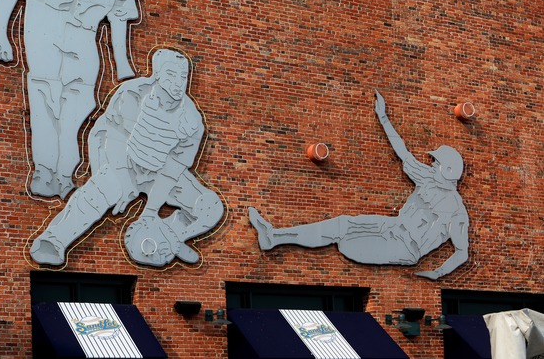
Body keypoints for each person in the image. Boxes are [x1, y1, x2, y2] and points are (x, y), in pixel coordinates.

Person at [30, 49, 224, 266]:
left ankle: (169, 236)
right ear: (157, 74)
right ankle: (54, 240)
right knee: (99, 192)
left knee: (210, 207)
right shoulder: (132, 93)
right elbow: (110, 137)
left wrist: (151, 211)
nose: (178, 82)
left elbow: (174, 167)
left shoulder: (192, 119)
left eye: (183, 76)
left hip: (159, 171)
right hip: (122, 159)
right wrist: (120, 179)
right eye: (171, 74)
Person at [249, 91, 469, 280]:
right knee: (342, 224)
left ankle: (279, 238)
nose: (431, 164)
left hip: (406, 248)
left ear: (448, 172)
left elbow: (462, 252)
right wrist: (383, 118)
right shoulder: (428, 179)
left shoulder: (457, 212)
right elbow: (404, 153)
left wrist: (437, 273)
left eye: (436, 163)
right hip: (391, 226)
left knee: (348, 245)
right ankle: (274, 237)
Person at [0, 0, 139, 199]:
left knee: (80, 105)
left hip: (83, 39)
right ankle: (44, 171)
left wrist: (122, 63)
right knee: (46, 96)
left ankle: (64, 173)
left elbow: (120, 15)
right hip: (45, 30)